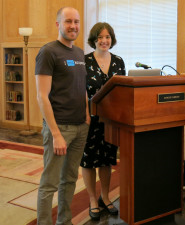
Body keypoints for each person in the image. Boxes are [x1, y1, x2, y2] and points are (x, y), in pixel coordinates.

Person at [35, 7, 90, 225]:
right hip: (60, 128)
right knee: (49, 184)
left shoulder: (79, 53)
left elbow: (82, 88)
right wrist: (56, 134)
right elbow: (42, 96)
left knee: (69, 180)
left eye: (76, 22)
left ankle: (64, 221)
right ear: (58, 24)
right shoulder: (48, 52)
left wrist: (86, 116)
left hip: (80, 127)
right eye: (68, 21)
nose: (73, 26)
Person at [80, 22, 125, 220]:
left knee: (107, 159)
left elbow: (122, 90)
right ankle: (92, 199)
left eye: (107, 37)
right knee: (89, 160)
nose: (104, 41)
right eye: (100, 37)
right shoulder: (84, 61)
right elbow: (81, 91)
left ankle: (105, 197)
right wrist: (85, 114)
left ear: (112, 39)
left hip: (111, 119)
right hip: (90, 118)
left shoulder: (119, 61)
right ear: (94, 39)